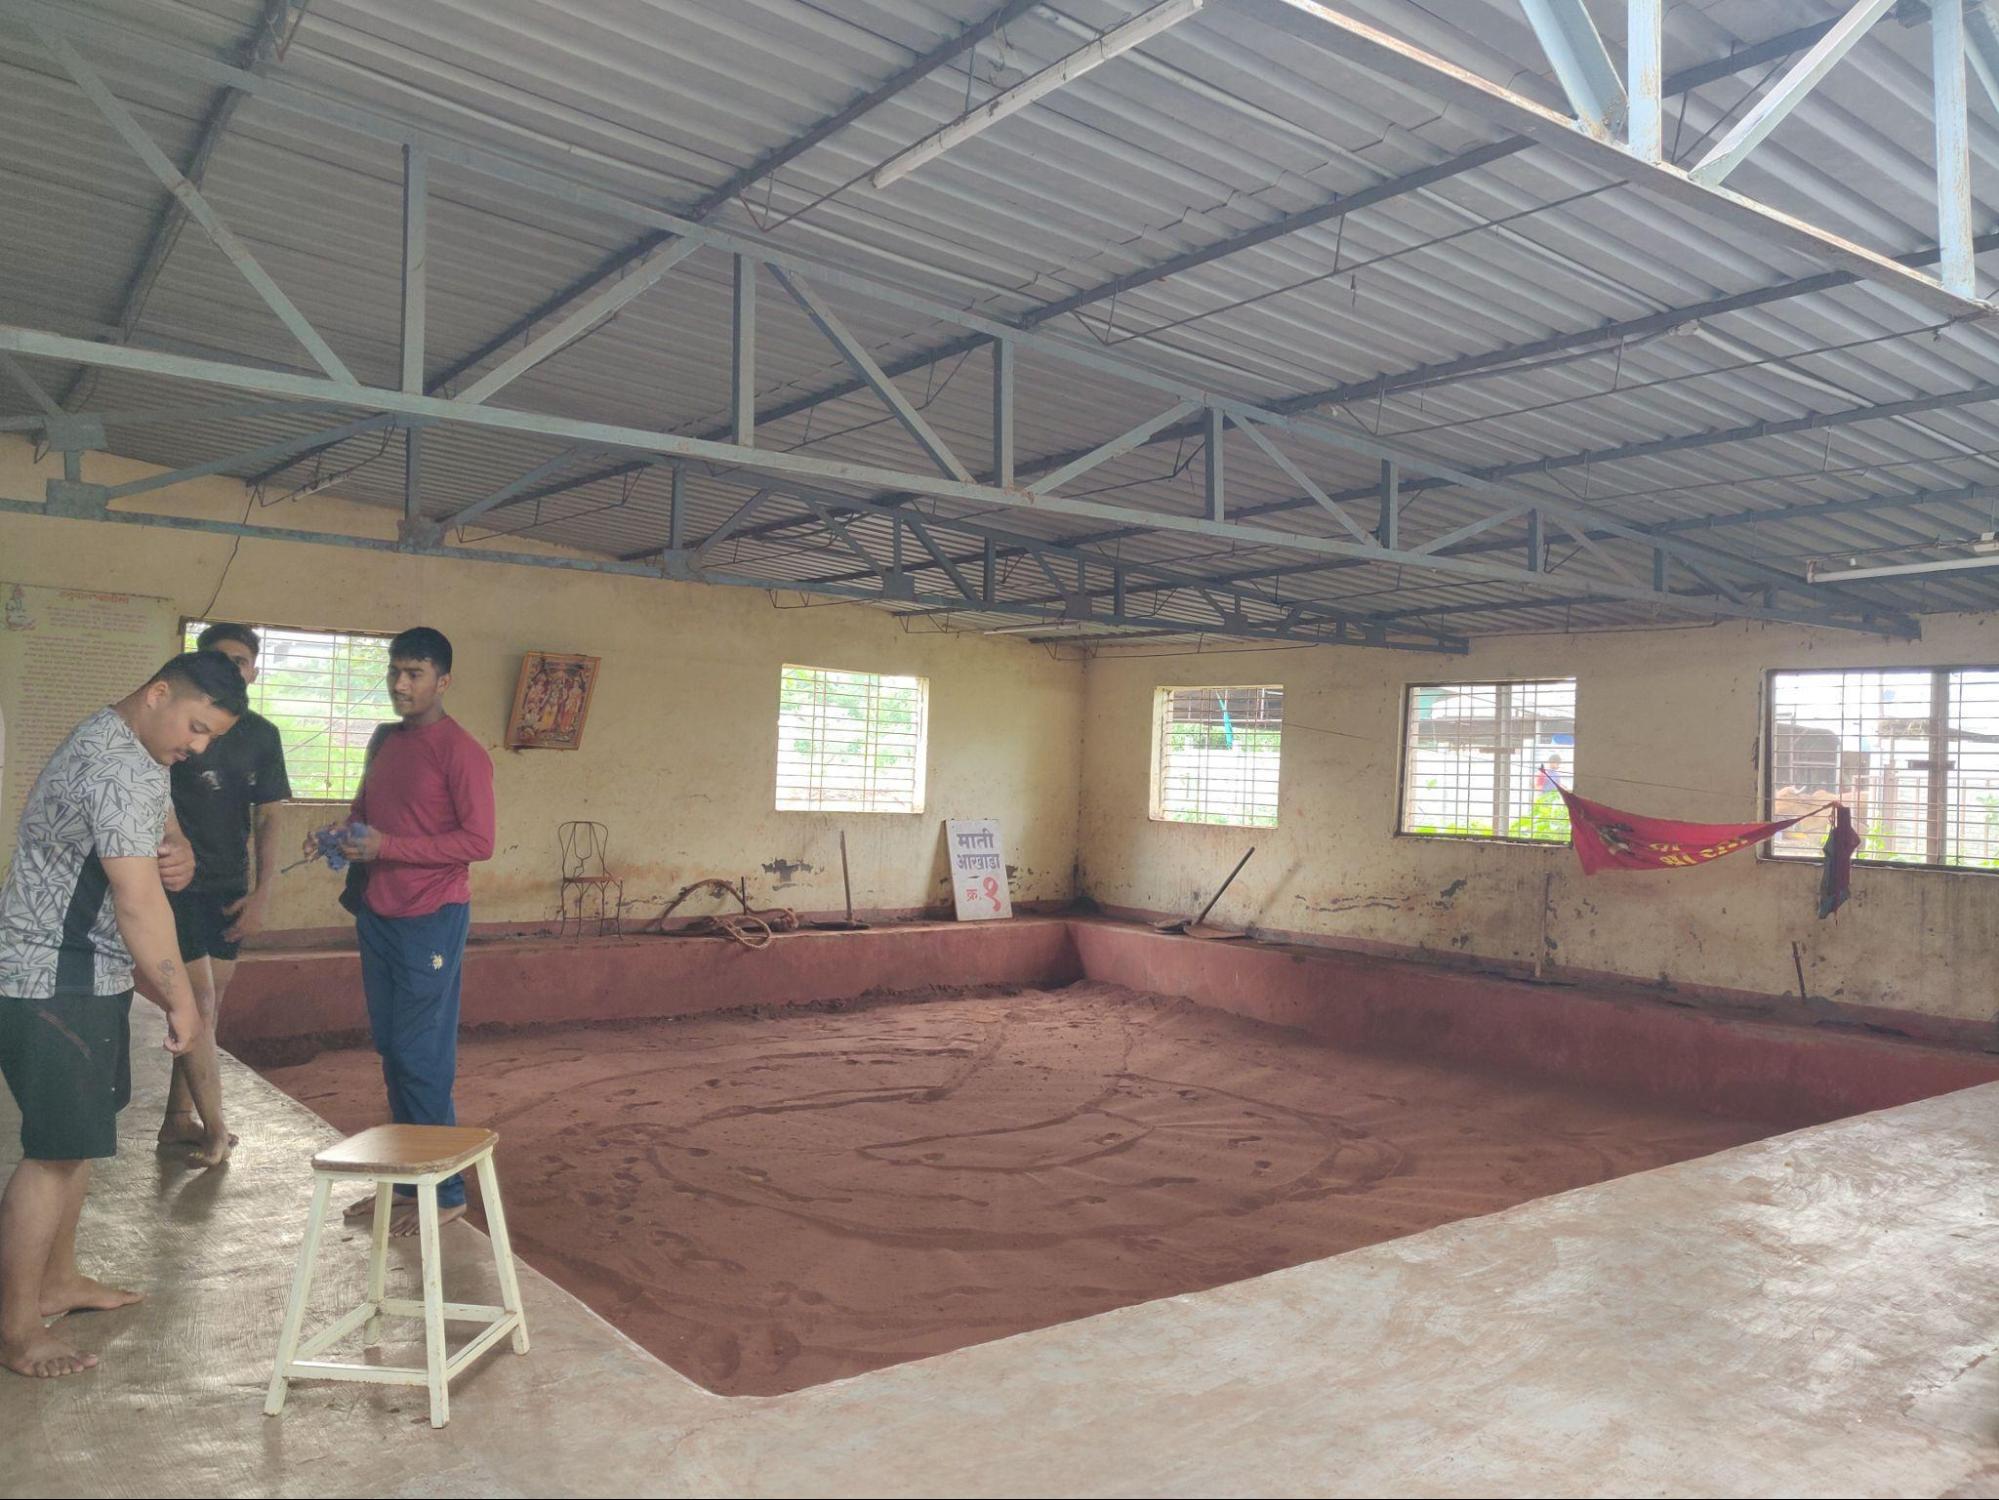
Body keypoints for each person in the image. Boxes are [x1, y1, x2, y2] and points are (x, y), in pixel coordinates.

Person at [0, 651, 245, 1378]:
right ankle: (16, 1330)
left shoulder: (139, 748)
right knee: (51, 1154)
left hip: (89, 971)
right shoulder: (107, 763)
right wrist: (182, 1000)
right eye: (196, 728)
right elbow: (138, 903)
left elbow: (156, 821)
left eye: (210, 738)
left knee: (77, 1142)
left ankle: (57, 1280)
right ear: (158, 693)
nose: (197, 747)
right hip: (51, 975)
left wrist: (178, 845)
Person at [307, 627, 493, 1238]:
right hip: (379, 913)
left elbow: (478, 842)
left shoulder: (461, 751)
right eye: (394, 672)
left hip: (430, 917)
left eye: (413, 673)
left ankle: (447, 1193)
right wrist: (343, 834)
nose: (399, 684)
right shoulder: (386, 739)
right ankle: (407, 1185)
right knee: (392, 1049)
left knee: (421, 1055)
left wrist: (390, 846)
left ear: (443, 681)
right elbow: (368, 810)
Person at [158, 624, 292, 1166]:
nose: (232, 669)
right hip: (177, 883)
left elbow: (270, 816)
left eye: (241, 660)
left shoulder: (261, 734)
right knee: (199, 1006)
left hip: (230, 888)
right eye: (221, 660)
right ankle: (215, 1131)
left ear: (254, 669)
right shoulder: (179, 727)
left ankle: (177, 1120)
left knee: (204, 1014)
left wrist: (262, 891)